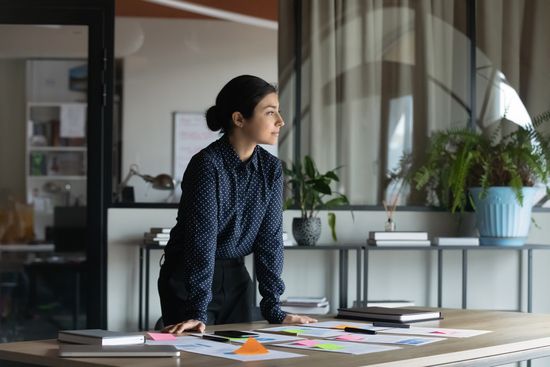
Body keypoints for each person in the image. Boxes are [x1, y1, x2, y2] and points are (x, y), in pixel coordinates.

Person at [158, 75, 317, 334]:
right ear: (239, 119)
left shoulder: (271, 168)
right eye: (270, 112)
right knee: (195, 356)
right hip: (189, 276)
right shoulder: (207, 165)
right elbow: (202, 241)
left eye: (278, 112)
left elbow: (270, 240)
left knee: (242, 354)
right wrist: (198, 311)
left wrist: (273, 307)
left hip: (236, 276)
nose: (280, 121)